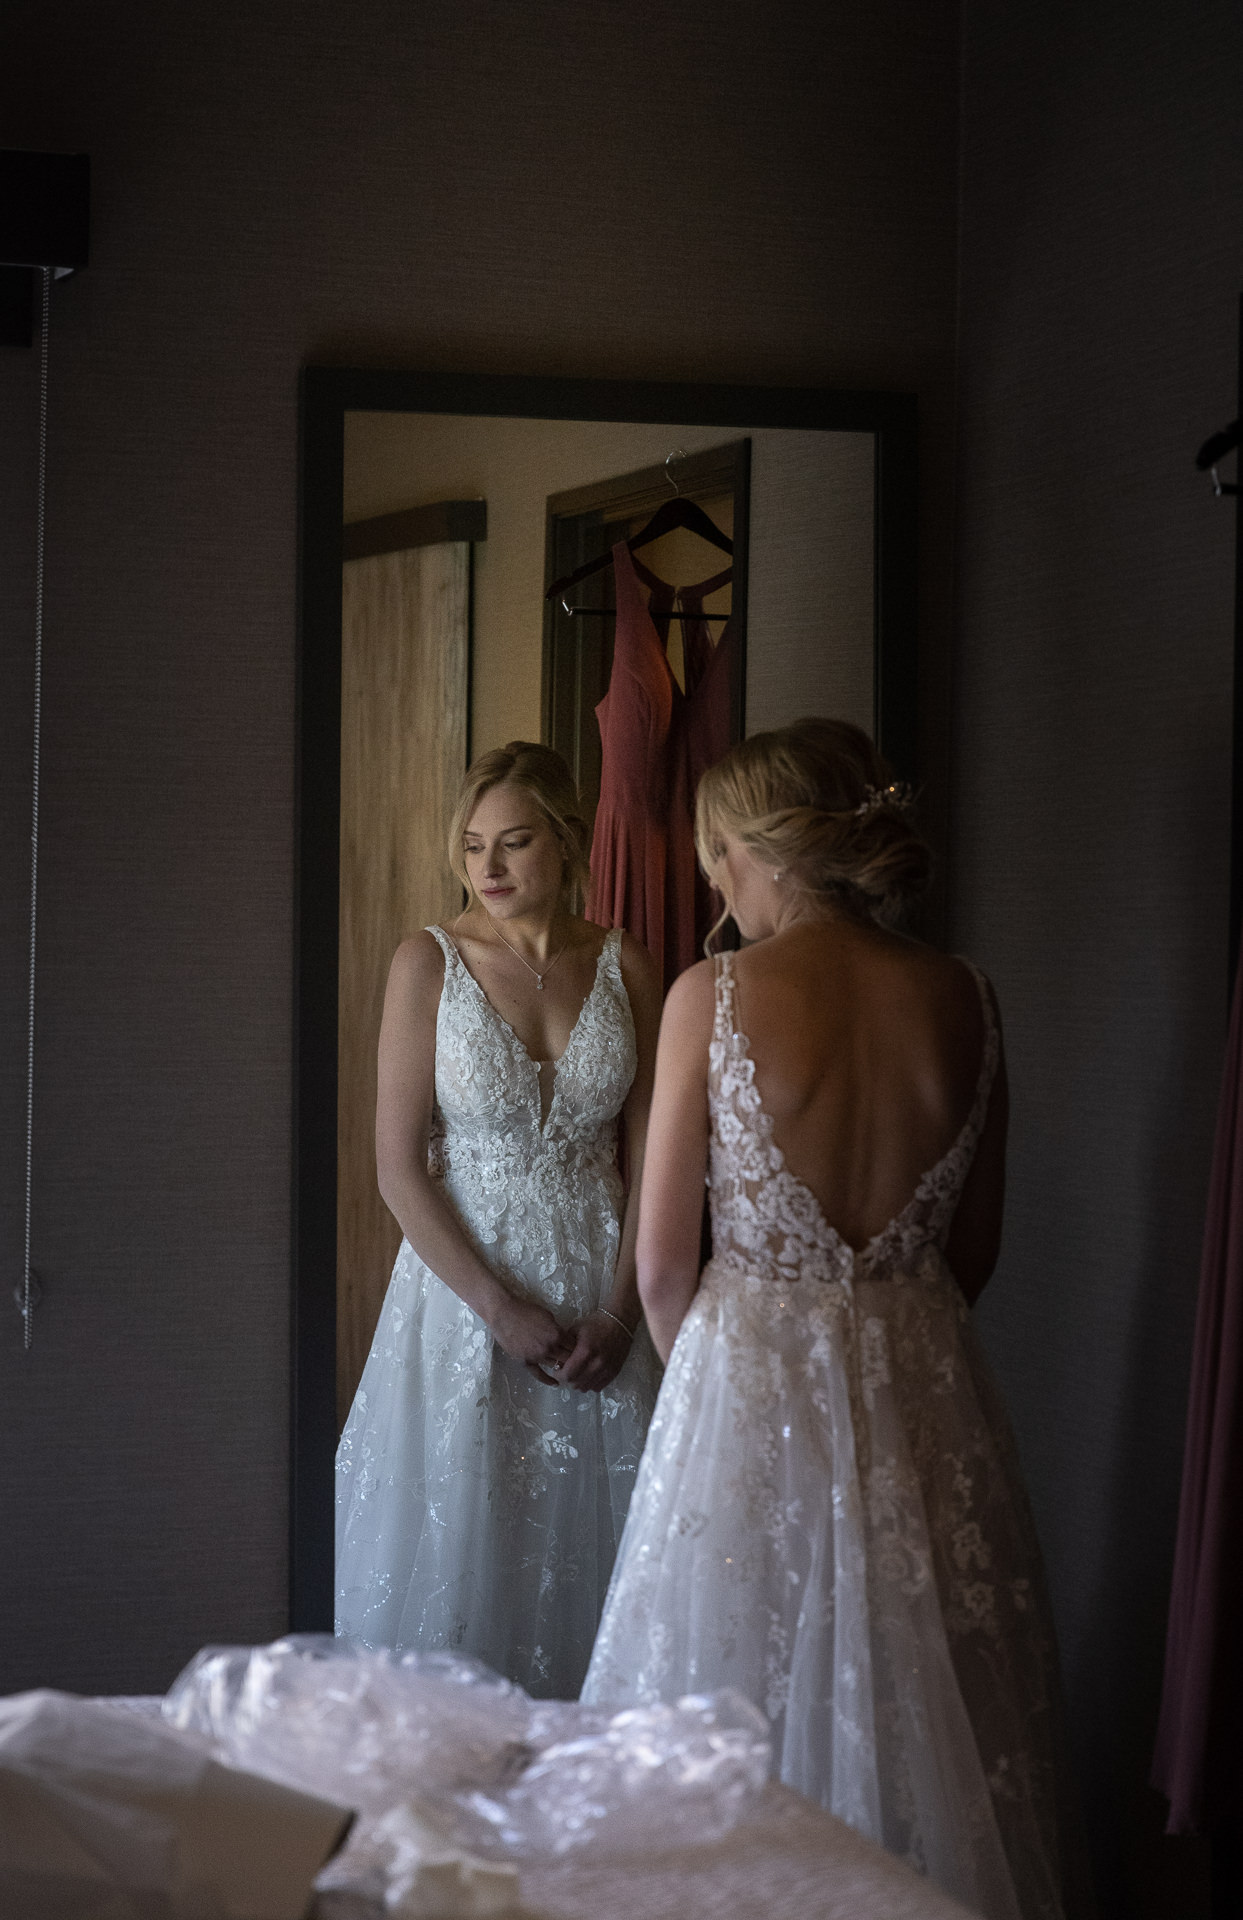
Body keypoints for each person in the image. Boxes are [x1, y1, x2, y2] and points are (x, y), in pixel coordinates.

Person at [583, 720, 1091, 1920]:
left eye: (716, 856)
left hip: (747, 1380)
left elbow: (661, 1264)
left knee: (732, 1709)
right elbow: (973, 1251)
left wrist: (716, 1386)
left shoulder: (715, 993)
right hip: (926, 1383)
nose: (713, 883)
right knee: (932, 1713)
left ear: (759, 852)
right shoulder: (967, 996)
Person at [337, 741, 663, 1697]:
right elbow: (398, 1167)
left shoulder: (624, 963)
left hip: (603, 1284)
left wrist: (620, 1312)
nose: (489, 867)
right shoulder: (425, 962)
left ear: (563, 842)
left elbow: (653, 1159)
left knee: (600, 1554)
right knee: (466, 1544)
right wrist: (497, 1307)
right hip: (464, 1294)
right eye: (474, 845)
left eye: (514, 842)